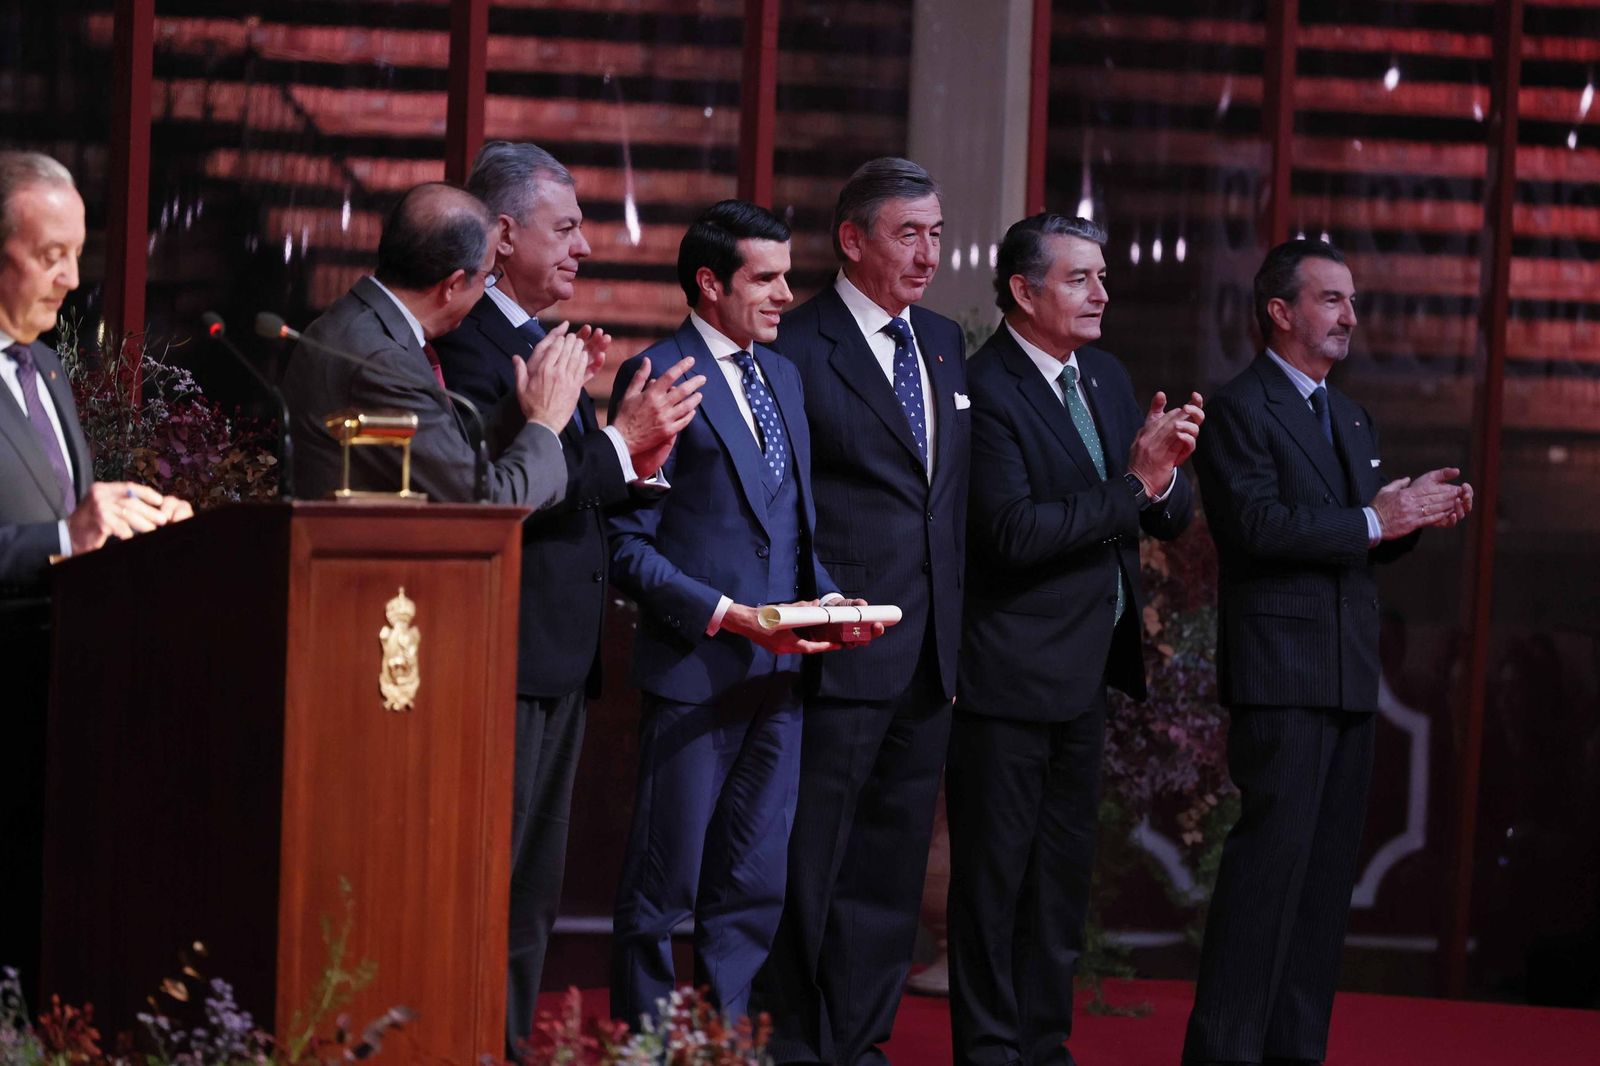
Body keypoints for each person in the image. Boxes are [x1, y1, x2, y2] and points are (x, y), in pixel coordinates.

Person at [430, 141, 703, 1055]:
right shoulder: (468, 345)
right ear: (501, 237)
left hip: (551, 655)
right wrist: (619, 444)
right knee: (486, 889)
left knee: (529, 899)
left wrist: (636, 460)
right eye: (567, 227)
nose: (585, 247)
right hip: (499, 653)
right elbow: (510, 490)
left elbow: (571, 476)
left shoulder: (534, 340)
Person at [1183, 239, 1472, 1066]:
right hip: (1282, 675)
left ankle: (1291, 1053)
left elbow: (1354, 536)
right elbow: (1260, 529)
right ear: (1281, 312)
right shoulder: (1239, 408)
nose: (1351, 316)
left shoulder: (1348, 414)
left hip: (1350, 675)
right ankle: (1222, 1054)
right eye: (1332, 300)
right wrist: (1379, 519)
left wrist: (1408, 516)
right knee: (1266, 880)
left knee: (1319, 893)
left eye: (1351, 300)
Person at [949, 213, 1199, 1066]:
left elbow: (1162, 506)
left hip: (1089, 672)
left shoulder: (1104, 374)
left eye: (1102, 275)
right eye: (1079, 279)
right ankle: (988, 1050)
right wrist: (1135, 482)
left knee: (1060, 882)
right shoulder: (985, 387)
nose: (1102, 293)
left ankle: (1044, 1049)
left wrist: (1162, 481)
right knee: (994, 886)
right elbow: (1012, 532)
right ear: (1023, 292)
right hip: (1008, 676)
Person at [606, 200, 853, 1026]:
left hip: (780, 676)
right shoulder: (657, 375)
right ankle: (645, 1049)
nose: (787, 294)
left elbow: (791, 521)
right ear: (710, 283)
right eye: (767, 278)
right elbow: (628, 550)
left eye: (789, 276)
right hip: (696, 671)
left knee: (753, 886)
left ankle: (726, 1044)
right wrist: (724, 613)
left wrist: (827, 598)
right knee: (663, 886)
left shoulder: (783, 375)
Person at [752, 157, 970, 1066]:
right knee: (814, 859)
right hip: (835, 648)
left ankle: (858, 1041)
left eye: (936, 234)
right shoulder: (794, 348)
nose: (928, 256)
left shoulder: (949, 342)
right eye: (907, 234)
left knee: (888, 869)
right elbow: (776, 501)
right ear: (852, 240)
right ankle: (794, 1043)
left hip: (930, 653)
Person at [0, 149, 190, 999]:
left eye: (79, 253)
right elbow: (57, 533)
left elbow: (80, 525)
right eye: (51, 255)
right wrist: (65, 536)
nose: (74, 278)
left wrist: (149, 534)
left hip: (62, 717)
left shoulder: (44, 370)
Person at [280, 181, 593, 506]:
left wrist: (527, 400)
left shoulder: (359, 324)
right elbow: (486, 504)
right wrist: (545, 420)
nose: (486, 288)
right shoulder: (380, 360)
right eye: (488, 277)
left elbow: (445, 452)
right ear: (454, 284)